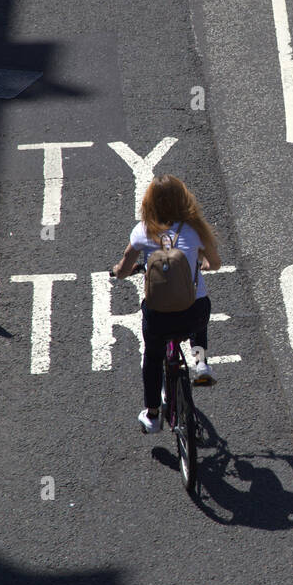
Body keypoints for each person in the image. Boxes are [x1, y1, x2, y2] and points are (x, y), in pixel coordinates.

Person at [109, 175, 222, 433]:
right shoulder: (195, 230)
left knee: (152, 357)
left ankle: (153, 414)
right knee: (199, 312)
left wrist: (118, 271)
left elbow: (125, 268)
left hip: (159, 317)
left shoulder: (142, 232)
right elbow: (215, 263)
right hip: (192, 312)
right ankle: (201, 362)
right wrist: (203, 264)